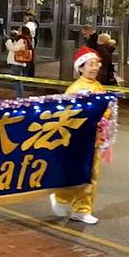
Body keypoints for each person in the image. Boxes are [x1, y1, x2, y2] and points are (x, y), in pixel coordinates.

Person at [49, 46, 108, 225]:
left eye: (96, 64)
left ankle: (82, 210)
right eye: (91, 64)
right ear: (81, 67)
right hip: (79, 141)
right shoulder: (76, 89)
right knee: (76, 173)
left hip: (95, 140)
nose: (95, 67)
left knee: (91, 175)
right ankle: (60, 198)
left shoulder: (98, 86)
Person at [5, 28, 31, 98]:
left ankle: (19, 97)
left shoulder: (22, 40)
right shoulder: (24, 39)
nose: (17, 32)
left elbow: (14, 49)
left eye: (19, 31)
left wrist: (9, 41)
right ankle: (19, 97)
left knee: (17, 81)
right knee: (17, 81)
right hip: (18, 62)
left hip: (17, 62)